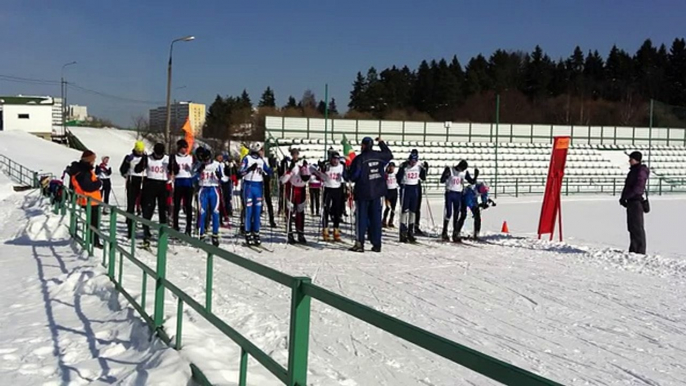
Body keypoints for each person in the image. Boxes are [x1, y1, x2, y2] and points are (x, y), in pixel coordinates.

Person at [348, 137, 393, 252]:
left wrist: (346, 172)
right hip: (377, 192)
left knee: (361, 218)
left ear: (363, 145)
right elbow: (389, 154)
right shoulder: (379, 156)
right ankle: (377, 244)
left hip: (363, 192)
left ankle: (360, 243)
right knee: (376, 219)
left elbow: (353, 176)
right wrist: (382, 143)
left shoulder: (360, 159)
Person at [239, 142, 273, 246]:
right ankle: (248, 232)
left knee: (257, 212)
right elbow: (240, 173)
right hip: (248, 186)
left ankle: (256, 232)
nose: (261, 152)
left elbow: (268, 171)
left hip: (258, 187)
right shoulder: (247, 158)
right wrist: (249, 169)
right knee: (249, 211)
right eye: (259, 150)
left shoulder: (261, 160)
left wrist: (273, 169)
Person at [138, 143, 170, 248]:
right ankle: (146, 233)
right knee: (148, 209)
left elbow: (176, 170)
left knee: (163, 210)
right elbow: (137, 169)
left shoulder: (167, 159)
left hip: (162, 185)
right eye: (156, 154)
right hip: (150, 184)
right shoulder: (148, 158)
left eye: (160, 155)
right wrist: (142, 162)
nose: (158, 157)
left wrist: (173, 165)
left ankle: (163, 235)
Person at [71, 150, 103, 248]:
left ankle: (93, 240)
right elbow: (87, 186)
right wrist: (99, 183)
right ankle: (94, 241)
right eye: (93, 159)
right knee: (94, 223)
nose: (94, 162)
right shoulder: (83, 171)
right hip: (89, 200)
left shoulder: (81, 170)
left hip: (88, 199)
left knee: (92, 223)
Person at [312, 151, 346, 242]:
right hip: (328, 189)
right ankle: (325, 230)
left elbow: (346, 175)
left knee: (337, 211)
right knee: (326, 210)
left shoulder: (341, 166)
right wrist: (321, 167)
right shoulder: (327, 166)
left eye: (337, 159)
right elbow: (320, 172)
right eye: (334, 159)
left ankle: (336, 230)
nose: (335, 161)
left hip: (337, 189)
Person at [620, 151, 650, 254]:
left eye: (631, 159)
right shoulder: (633, 171)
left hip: (636, 201)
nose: (629, 161)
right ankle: (634, 249)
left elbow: (638, 187)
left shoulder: (640, 171)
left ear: (636, 159)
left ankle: (640, 250)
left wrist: (627, 196)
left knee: (637, 227)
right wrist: (623, 198)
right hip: (631, 201)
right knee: (631, 226)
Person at [440, 160, 478, 242]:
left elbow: (471, 181)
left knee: (456, 214)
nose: (461, 171)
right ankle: (444, 231)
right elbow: (442, 180)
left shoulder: (463, 173)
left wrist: (475, 176)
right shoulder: (450, 170)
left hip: (458, 194)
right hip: (450, 193)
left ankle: (455, 233)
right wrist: (445, 176)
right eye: (461, 169)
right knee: (449, 213)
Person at [281, 148, 310, 244]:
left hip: (300, 189)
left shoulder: (302, 163)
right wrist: (287, 168)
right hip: (291, 188)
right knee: (289, 211)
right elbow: (282, 179)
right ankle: (289, 233)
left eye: (296, 154)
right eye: (293, 154)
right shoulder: (288, 163)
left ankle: (300, 233)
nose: (295, 156)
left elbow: (309, 173)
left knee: (300, 212)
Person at [195, 147, 223, 246]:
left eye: (207, 159)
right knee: (202, 212)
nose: (206, 161)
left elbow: (224, 179)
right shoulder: (200, 164)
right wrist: (199, 171)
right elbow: (193, 177)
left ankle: (215, 235)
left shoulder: (216, 165)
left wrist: (220, 176)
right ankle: (201, 233)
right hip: (203, 189)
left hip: (214, 190)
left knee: (215, 212)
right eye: (204, 159)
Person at [397, 151, 426, 243]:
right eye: (411, 161)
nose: (412, 163)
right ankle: (403, 232)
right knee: (404, 211)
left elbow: (423, 177)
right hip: (406, 188)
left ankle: (410, 232)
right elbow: (398, 177)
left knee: (413, 211)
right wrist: (401, 184)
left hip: (414, 188)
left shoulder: (419, 166)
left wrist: (425, 170)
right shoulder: (404, 166)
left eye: (414, 161)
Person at [119, 141, 146, 237]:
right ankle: (130, 225)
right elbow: (122, 169)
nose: (140, 152)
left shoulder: (145, 158)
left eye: (141, 151)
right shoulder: (129, 157)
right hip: (132, 180)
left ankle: (144, 226)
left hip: (143, 180)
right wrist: (125, 171)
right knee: (131, 204)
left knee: (144, 205)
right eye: (138, 151)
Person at [168, 139, 194, 236]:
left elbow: (194, 169)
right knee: (176, 206)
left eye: (186, 148)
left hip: (188, 183)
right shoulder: (174, 157)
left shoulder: (190, 157)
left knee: (188, 206)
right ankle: (175, 226)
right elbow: (170, 169)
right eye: (183, 148)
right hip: (178, 182)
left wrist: (191, 169)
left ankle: (188, 227)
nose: (185, 150)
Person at [264, 155, 279, 228]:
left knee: (269, 203)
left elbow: (271, 171)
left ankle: (272, 220)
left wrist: (273, 167)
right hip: (259, 182)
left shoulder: (267, 159)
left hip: (266, 182)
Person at [382, 162, 398, 228]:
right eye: (390, 167)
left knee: (393, 208)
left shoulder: (395, 174)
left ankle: (391, 221)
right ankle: (384, 220)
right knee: (387, 207)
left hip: (394, 191)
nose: (391, 168)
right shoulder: (386, 174)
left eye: (392, 167)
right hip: (388, 192)